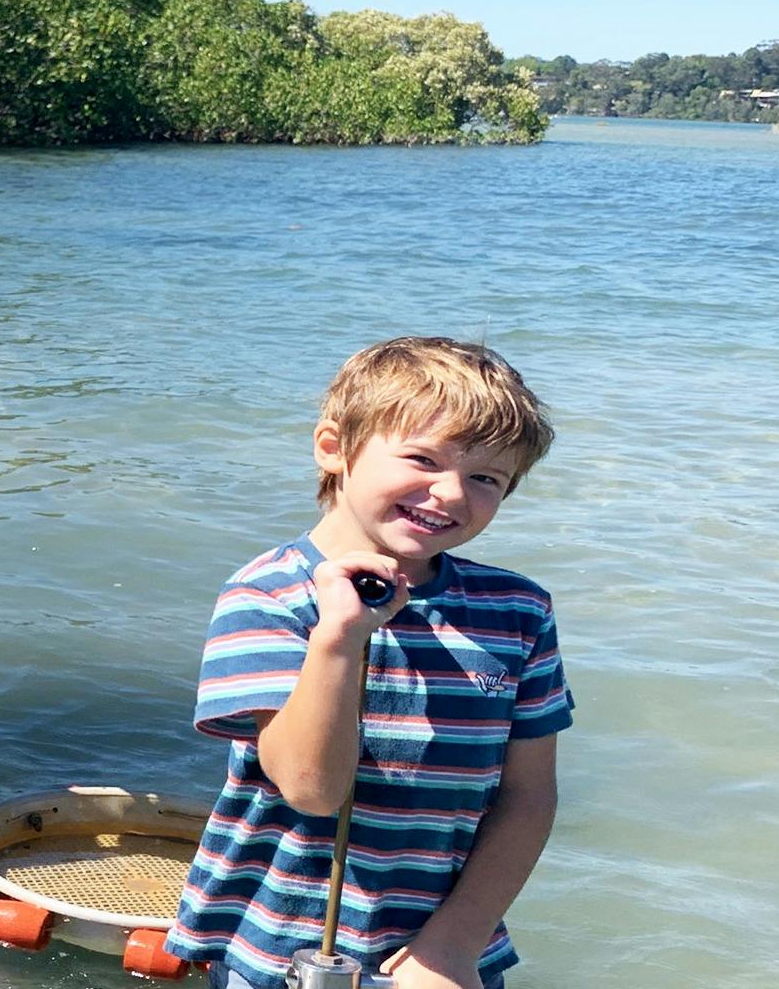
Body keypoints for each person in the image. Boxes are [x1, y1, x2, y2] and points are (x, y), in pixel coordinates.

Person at [165, 337, 572, 989]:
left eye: (485, 478)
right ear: (334, 447)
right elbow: (311, 787)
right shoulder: (267, 595)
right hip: (279, 948)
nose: (448, 492)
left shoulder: (518, 610)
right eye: (422, 458)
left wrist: (455, 942)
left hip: (448, 951)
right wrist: (338, 640)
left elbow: (529, 796)